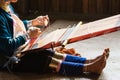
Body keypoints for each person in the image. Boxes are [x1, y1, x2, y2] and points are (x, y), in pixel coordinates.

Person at [0, 0, 109, 76]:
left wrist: (33, 22)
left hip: (19, 50)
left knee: (47, 51)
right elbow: (7, 47)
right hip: (10, 60)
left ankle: (87, 61)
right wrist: (27, 35)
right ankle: (89, 68)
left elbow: (14, 27)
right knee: (43, 60)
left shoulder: (6, 6)